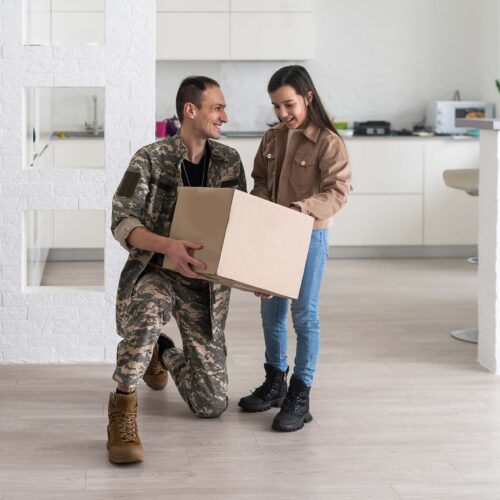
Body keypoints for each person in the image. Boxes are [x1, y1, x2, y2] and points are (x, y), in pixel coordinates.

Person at [107, 76, 246, 464]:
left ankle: (163, 353)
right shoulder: (148, 158)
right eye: (217, 107)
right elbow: (122, 221)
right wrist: (168, 245)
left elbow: (242, 226)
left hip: (204, 284)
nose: (225, 116)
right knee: (147, 316)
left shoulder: (230, 161)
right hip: (157, 271)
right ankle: (122, 409)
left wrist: (258, 276)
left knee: (211, 405)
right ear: (191, 110)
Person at [238, 65, 351, 432]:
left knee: (304, 316)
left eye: (289, 104)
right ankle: (275, 382)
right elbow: (259, 180)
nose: (283, 114)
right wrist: (260, 210)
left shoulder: (329, 142)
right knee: (271, 313)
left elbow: (338, 192)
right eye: (276, 107)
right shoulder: (272, 139)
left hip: (309, 236)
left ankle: (300, 395)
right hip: (272, 235)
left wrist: (298, 211)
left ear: (308, 97)